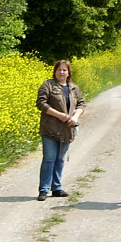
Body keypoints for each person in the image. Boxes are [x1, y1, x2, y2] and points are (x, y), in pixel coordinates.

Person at [36, 60, 85, 201]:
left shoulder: (74, 88)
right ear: (55, 71)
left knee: (60, 159)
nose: (62, 72)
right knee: (49, 158)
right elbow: (41, 103)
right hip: (50, 128)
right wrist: (60, 115)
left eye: (64, 70)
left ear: (69, 72)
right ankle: (43, 189)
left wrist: (75, 117)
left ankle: (56, 187)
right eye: (59, 70)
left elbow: (81, 103)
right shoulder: (48, 85)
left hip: (67, 129)